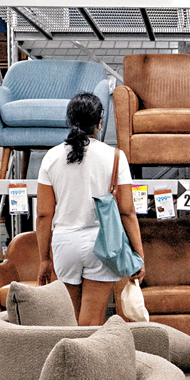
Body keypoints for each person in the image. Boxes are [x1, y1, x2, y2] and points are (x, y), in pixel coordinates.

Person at [35, 92, 145, 326]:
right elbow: (127, 211)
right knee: (92, 321)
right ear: (99, 123)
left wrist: (44, 259)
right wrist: (139, 255)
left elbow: (44, 215)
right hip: (102, 243)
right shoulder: (115, 157)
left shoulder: (51, 158)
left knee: (69, 321)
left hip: (64, 243)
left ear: (69, 120)